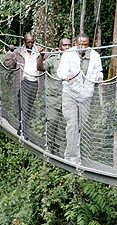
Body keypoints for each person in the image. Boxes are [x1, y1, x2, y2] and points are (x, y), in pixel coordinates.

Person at [57, 33, 103, 164]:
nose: (83, 47)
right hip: (70, 93)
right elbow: (61, 71)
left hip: (86, 95)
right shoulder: (68, 54)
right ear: (76, 44)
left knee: (80, 126)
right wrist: (67, 75)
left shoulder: (95, 56)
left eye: (86, 45)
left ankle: (73, 151)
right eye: (81, 44)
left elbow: (99, 71)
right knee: (72, 124)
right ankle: (72, 157)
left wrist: (100, 79)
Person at [3, 33, 42, 139]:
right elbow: (7, 64)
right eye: (28, 42)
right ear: (24, 42)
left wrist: (53, 52)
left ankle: (21, 127)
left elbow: (46, 60)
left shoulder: (39, 51)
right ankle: (26, 133)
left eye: (32, 42)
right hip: (23, 82)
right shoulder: (18, 52)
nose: (30, 44)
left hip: (34, 82)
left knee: (28, 108)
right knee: (23, 108)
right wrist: (10, 52)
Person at [37, 38, 72, 155]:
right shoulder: (53, 59)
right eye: (64, 45)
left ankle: (57, 150)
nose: (67, 47)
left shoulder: (73, 60)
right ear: (60, 46)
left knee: (63, 126)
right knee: (52, 122)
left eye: (69, 45)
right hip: (53, 98)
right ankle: (49, 146)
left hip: (67, 98)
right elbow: (40, 68)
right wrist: (41, 56)